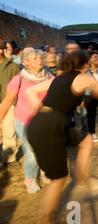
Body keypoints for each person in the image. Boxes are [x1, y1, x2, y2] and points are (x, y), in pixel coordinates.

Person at [26, 48, 98, 224]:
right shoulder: (83, 78)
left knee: (86, 141)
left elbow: (33, 92)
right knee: (58, 179)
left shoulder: (58, 78)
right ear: (84, 65)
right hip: (50, 127)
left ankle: (83, 179)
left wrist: (40, 113)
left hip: (45, 123)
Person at [0, 48, 53, 193]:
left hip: (44, 120)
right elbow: (6, 102)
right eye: (34, 58)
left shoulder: (48, 76)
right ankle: (29, 179)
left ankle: (43, 172)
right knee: (32, 153)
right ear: (25, 63)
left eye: (39, 57)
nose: (39, 60)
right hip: (24, 121)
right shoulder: (19, 79)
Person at [0, 41, 20, 165]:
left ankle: (9, 159)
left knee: (8, 131)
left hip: (8, 103)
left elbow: (18, 85)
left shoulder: (12, 66)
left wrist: (14, 102)